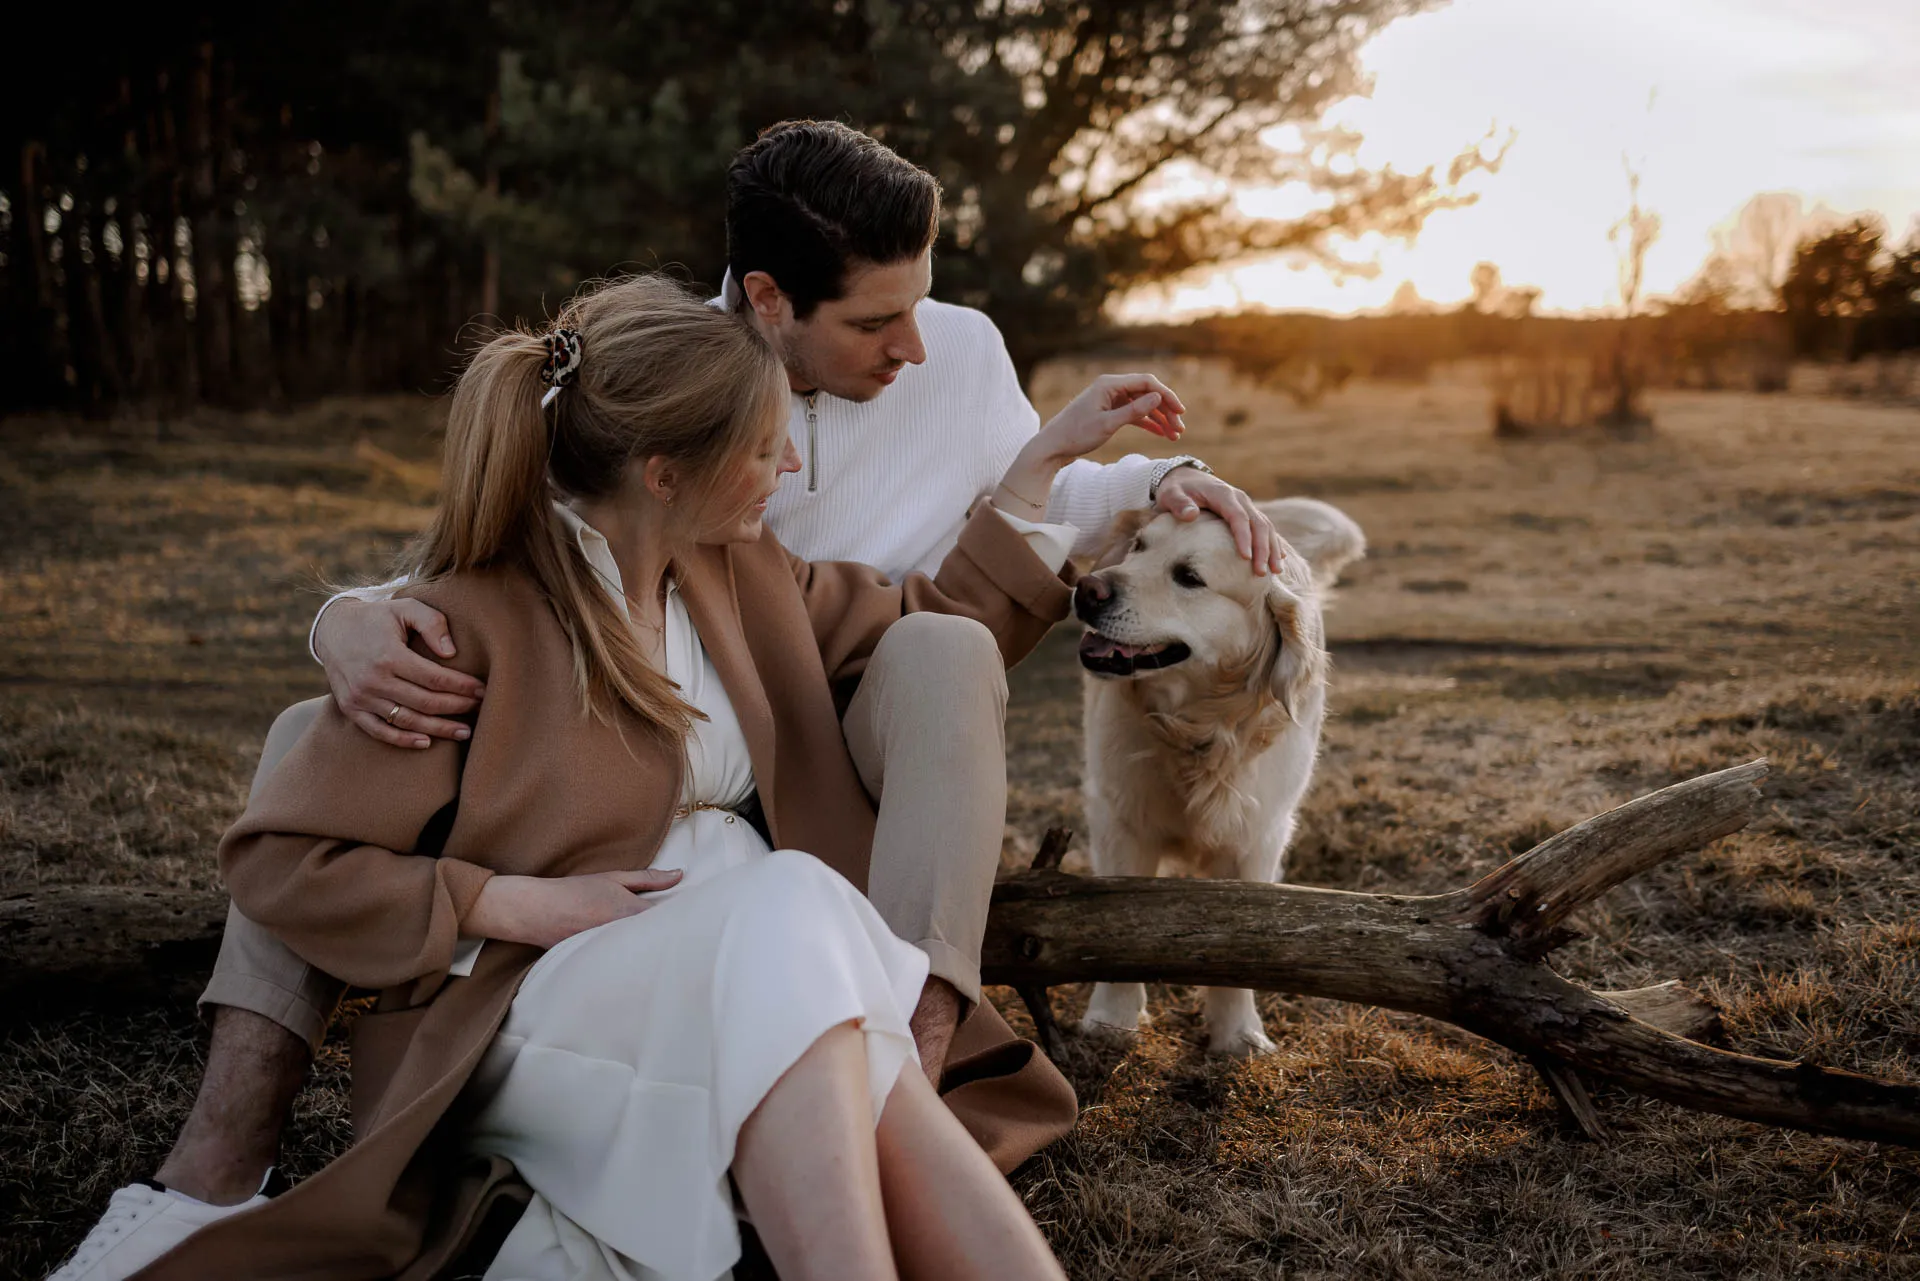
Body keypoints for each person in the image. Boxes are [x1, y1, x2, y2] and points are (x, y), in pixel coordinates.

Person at [51, 119, 1278, 1279]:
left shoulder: (747, 564)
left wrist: (1081, 467)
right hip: (580, 960)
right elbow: (318, 800)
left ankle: (918, 1026)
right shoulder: (573, 502)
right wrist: (481, 858)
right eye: (764, 451)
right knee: (797, 931)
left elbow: (928, 627)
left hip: (776, 892)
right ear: (755, 319)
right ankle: (212, 1170)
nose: (913, 350)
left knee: (799, 919)